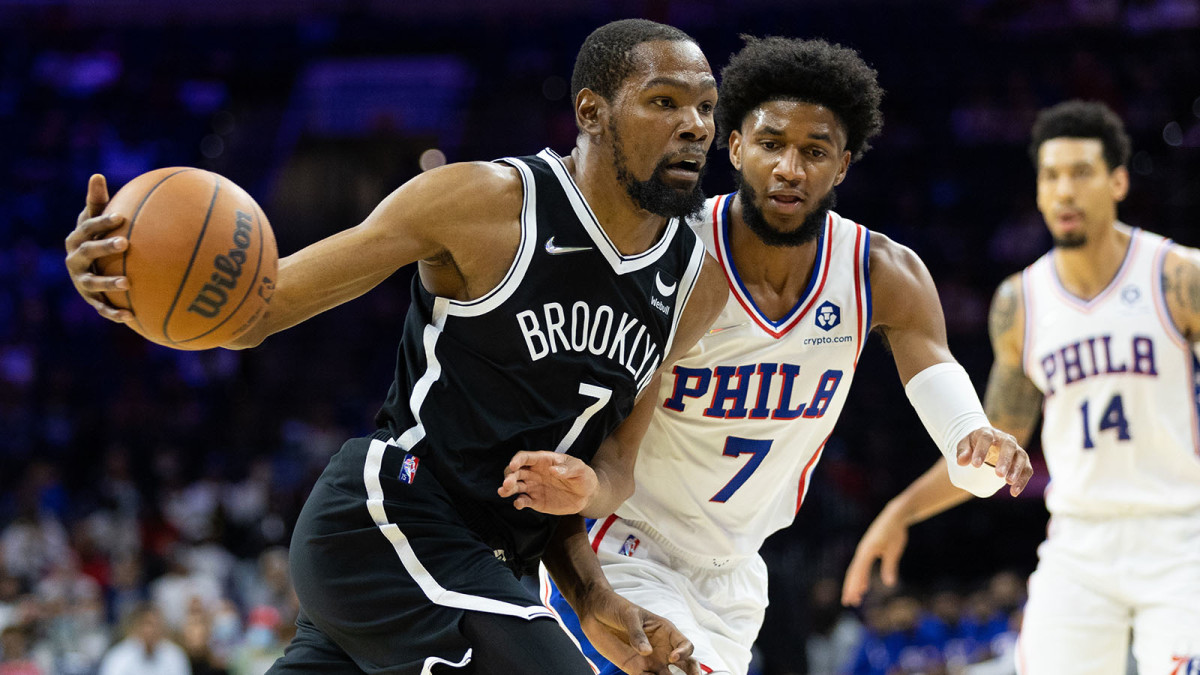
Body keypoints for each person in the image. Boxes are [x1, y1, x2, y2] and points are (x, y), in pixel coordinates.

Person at [64, 18, 731, 675]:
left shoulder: (694, 286)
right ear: (591, 111)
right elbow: (256, 310)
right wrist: (125, 284)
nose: (696, 125)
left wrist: (594, 593)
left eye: (705, 105)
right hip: (391, 517)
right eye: (665, 101)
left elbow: (610, 466)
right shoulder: (481, 204)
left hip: (491, 568)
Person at [538, 36, 1033, 675]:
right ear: (737, 146)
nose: (790, 168)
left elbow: (949, 405)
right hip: (625, 551)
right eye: (771, 144)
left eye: (814, 150)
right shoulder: (670, 256)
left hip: (739, 576)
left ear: (843, 165)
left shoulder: (883, 273)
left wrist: (976, 441)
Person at [842, 100, 1200, 674]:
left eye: (1081, 173)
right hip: (1080, 546)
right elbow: (991, 447)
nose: (1064, 190)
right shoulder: (1022, 303)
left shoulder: (1178, 276)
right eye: (1051, 176)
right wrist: (900, 512)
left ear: (1118, 181)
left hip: (1182, 536)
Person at [97, 603, 191, 675]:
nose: (152, 630)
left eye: (156, 624)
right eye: (147, 624)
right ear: (136, 626)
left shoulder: (175, 655)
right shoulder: (118, 657)